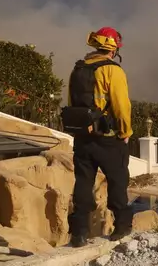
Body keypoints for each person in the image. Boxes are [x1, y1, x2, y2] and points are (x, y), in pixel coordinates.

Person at [62, 27, 133, 247]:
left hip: (82, 137)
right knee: (117, 180)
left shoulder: (78, 69)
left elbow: (72, 102)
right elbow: (121, 106)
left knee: (83, 182)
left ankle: (79, 233)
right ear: (113, 49)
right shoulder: (113, 70)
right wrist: (125, 132)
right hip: (108, 139)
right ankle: (121, 227)